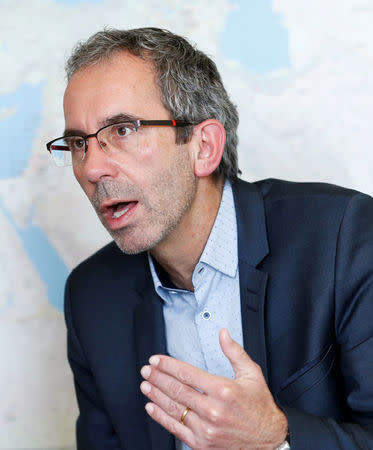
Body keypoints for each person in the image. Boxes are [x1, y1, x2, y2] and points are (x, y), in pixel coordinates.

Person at [46, 27, 373, 449]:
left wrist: (275, 438)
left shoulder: (342, 236)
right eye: (78, 143)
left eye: (123, 130)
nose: (91, 169)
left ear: (204, 146)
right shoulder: (91, 296)